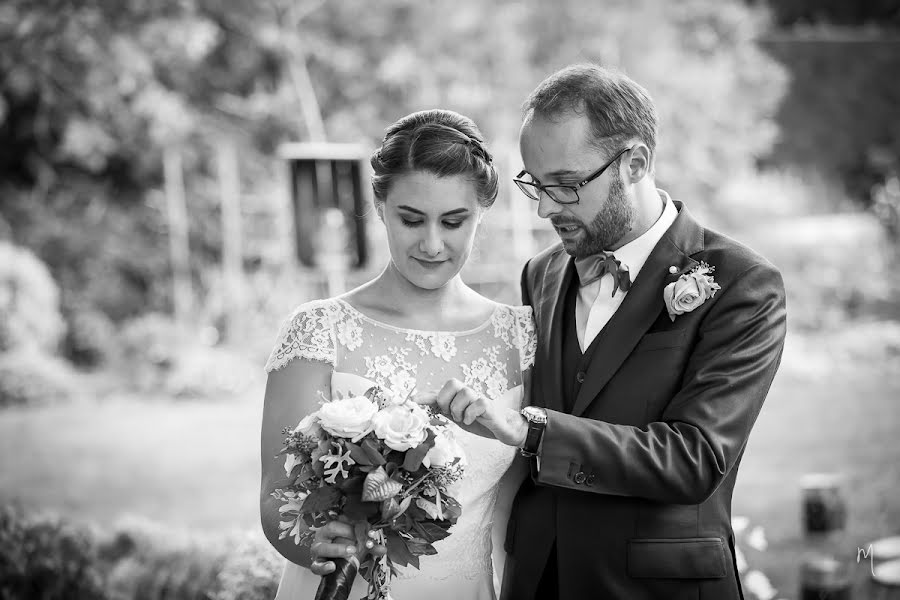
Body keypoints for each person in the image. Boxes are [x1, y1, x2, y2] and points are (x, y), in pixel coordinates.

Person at [415, 64, 788, 599]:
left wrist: (534, 430)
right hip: (537, 580)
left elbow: (695, 457)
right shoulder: (539, 274)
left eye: (565, 186)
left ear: (634, 163)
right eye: (536, 186)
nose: (546, 208)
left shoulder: (741, 284)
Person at [259, 109, 535, 600]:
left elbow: (523, 506)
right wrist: (316, 546)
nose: (432, 243)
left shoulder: (521, 334)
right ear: (380, 204)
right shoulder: (321, 329)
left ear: (482, 213)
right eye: (412, 219)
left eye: (454, 221)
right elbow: (277, 497)